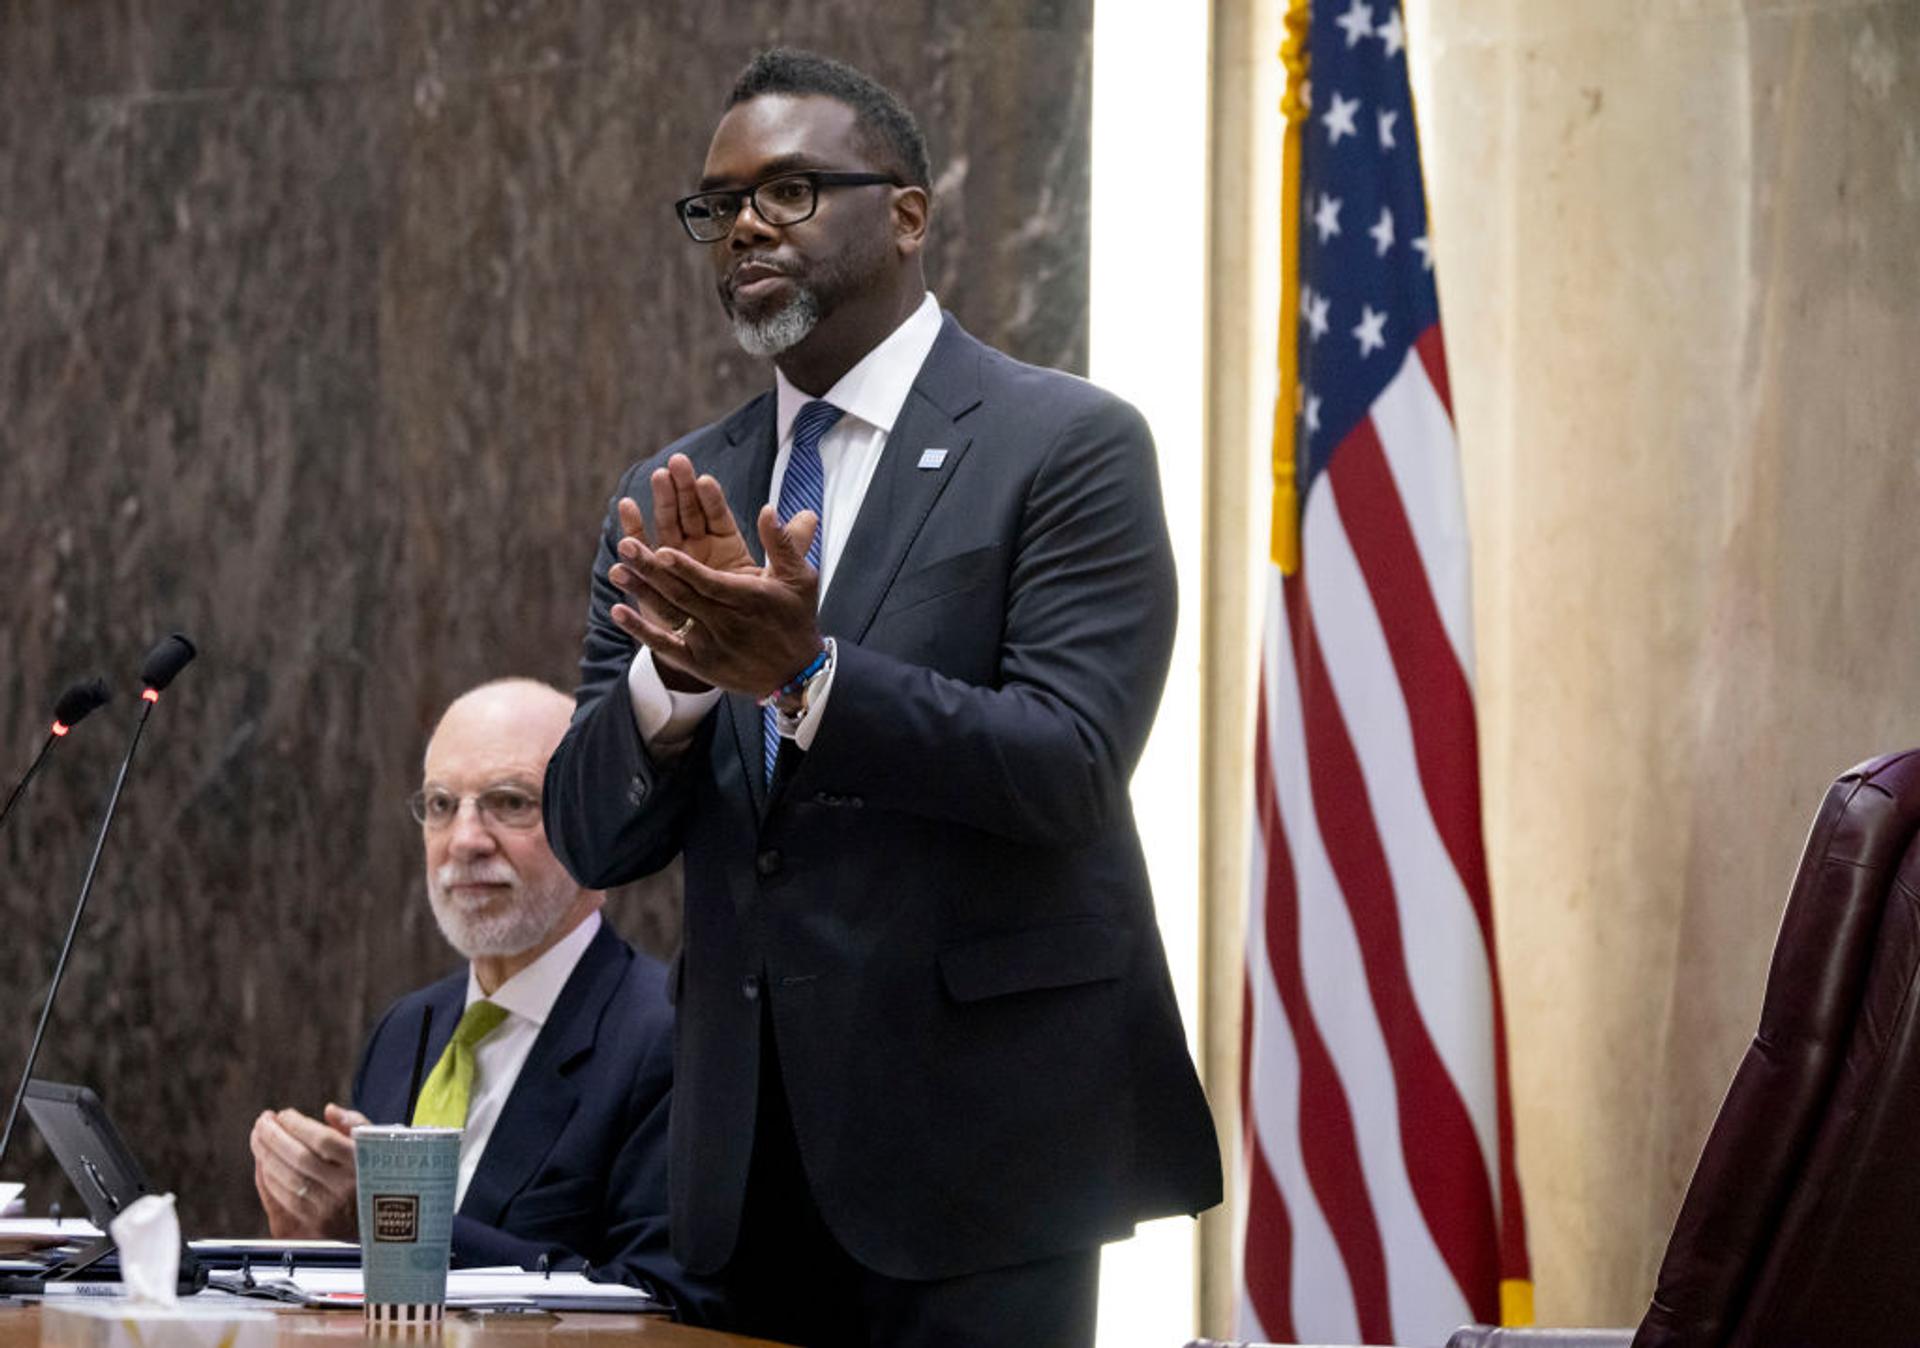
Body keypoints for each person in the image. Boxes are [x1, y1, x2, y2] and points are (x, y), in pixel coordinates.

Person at [543, 48, 1221, 1347]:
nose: (743, 222)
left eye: (788, 189)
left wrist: (804, 679)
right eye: (717, 202)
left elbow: (1068, 762)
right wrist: (673, 683)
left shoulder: (1064, 444)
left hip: (980, 1163)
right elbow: (591, 834)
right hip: (741, 1172)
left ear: (907, 211)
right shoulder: (683, 487)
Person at [248, 678, 714, 1323]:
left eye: (509, 802)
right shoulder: (407, 1029)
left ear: (596, 824)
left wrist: (391, 1220)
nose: (465, 839)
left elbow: (657, 1304)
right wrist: (312, 1235)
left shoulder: (667, 1035)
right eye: (441, 805)